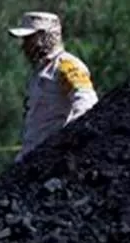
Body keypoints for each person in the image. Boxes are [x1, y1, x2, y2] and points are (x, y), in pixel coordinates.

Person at [8, 11, 98, 160]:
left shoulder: (67, 65)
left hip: (51, 158)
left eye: (29, 39)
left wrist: (66, 142)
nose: (24, 45)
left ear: (45, 37)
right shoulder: (40, 72)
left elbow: (87, 103)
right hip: (30, 156)